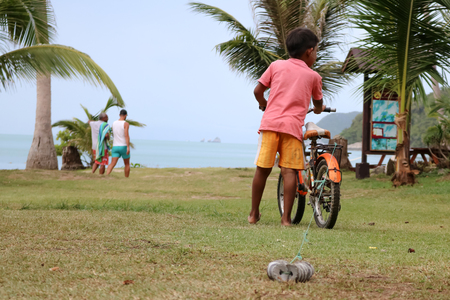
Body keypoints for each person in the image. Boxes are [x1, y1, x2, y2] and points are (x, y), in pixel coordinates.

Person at [248, 27, 326, 226]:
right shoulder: (313, 77)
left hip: (270, 124)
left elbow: (258, 91)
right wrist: (318, 109)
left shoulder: (276, 66)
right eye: (316, 51)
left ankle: (253, 214)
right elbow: (317, 104)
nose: (315, 55)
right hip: (291, 128)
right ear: (309, 51)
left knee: (262, 169)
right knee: (289, 172)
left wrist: (264, 105)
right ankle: (286, 219)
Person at [106, 109, 131, 177]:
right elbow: (126, 135)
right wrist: (128, 147)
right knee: (127, 164)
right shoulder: (126, 124)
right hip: (123, 146)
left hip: (115, 146)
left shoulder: (114, 123)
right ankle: (126, 178)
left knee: (112, 163)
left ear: (119, 115)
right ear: (125, 115)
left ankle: (106, 175)